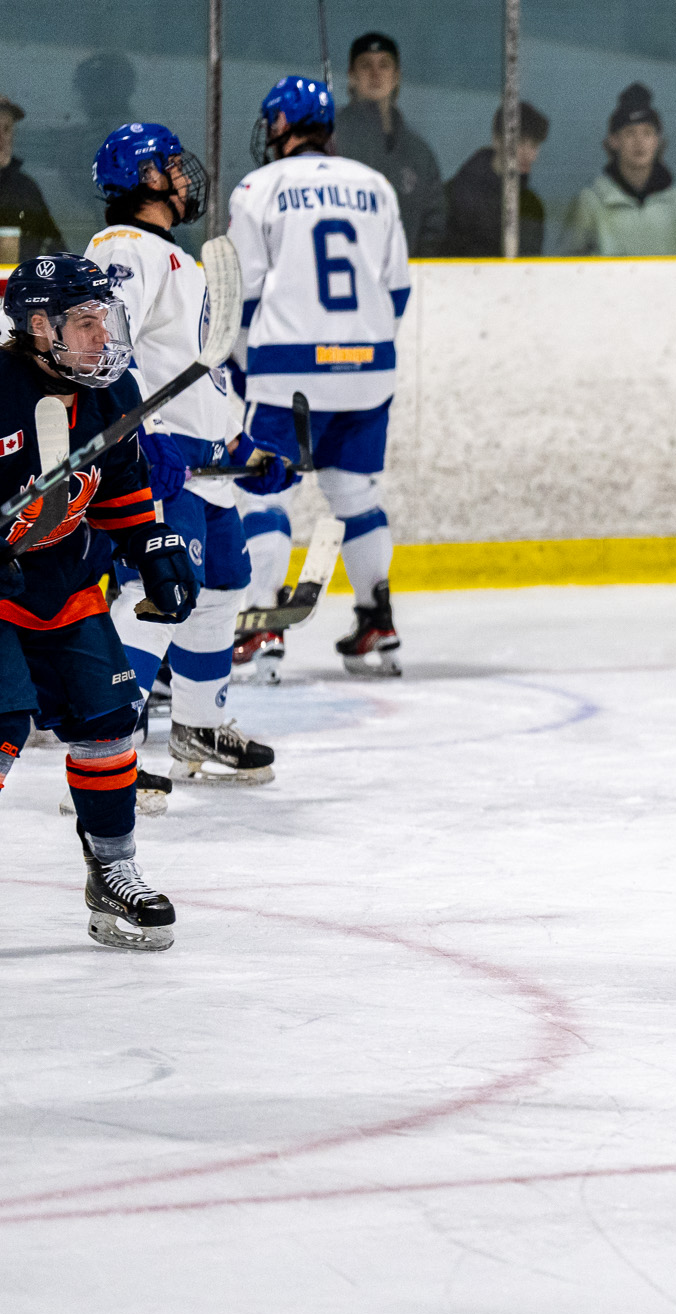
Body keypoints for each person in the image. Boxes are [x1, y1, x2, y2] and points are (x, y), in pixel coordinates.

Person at [0, 254, 197, 949]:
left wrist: (151, 540)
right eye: (86, 323)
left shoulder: (111, 392)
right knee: (2, 722)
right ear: (37, 326)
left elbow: (117, 487)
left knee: (111, 720)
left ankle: (112, 873)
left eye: (103, 320)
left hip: (63, 583)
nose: (102, 336)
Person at [88, 122, 277, 794]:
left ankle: (198, 726)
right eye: (172, 166)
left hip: (202, 460)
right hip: (159, 456)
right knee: (155, 592)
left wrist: (242, 440)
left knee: (222, 585)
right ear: (145, 177)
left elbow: (202, 370)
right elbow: (107, 347)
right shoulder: (122, 248)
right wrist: (141, 435)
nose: (184, 176)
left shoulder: (178, 258)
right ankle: (106, 746)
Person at [230, 76, 411, 679]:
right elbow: (398, 289)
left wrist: (242, 366)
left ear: (283, 124)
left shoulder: (258, 187)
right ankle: (377, 620)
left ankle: (261, 626)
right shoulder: (376, 185)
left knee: (264, 490)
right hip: (369, 368)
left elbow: (243, 295)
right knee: (355, 493)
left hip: (287, 371)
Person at [332, 33, 446, 257]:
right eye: (366, 65)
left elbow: (433, 226)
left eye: (384, 65)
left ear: (396, 77)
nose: (375, 74)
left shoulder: (419, 155)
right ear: (351, 76)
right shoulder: (328, 137)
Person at [561, 85, 676, 257]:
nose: (639, 142)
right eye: (630, 133)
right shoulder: (591, 201)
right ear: (614, 141)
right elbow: (567, 266)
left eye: (647, 133)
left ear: (657, 141)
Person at [444, 102, 550, 258]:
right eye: (520, 142)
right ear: (497, 140)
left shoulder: (531, 205)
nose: (529, 155)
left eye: (534, 145)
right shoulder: (456, 195)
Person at [0, 96, 65, 258]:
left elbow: (54, 250)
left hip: (19, 283)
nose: (1, 139)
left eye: (7, 129)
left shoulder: (25, 189)